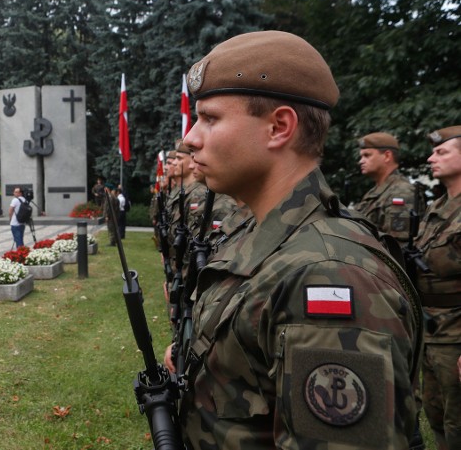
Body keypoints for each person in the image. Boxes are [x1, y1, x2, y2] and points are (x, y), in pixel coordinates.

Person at [164, 30, 420, 448]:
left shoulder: (325, 276)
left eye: (210, 118)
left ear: (279, 127)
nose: (191, 137)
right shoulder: (264, 235)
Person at [414, 125, 461, 449]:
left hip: (457, 334)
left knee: (458, 420)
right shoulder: (437, 208)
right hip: (433, 330)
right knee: (435, 413)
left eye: (442, 152)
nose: (432, 158)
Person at [354, 132, 422, 242]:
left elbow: (397, 246)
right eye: (361, 156)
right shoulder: (375, 191)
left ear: (387, 156)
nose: (361, 161)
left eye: (367, 155)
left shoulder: (401, 192)